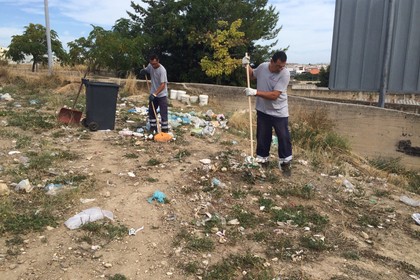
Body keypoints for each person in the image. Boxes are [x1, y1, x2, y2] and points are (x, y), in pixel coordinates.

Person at [243, 51, 292, 176]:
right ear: (272, 61)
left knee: (283, 136)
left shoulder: (285, 74)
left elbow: (275, 95)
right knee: (263, 136)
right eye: (278, 65)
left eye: (283, 66)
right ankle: (262, 160)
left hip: (279, 111)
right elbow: (252, 75)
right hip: (263, 109)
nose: (281, 68)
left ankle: (285, 162)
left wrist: (255, 92)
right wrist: (246, 65)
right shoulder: (263, 67)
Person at [141, 54, 169, 133]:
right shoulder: (150, 66)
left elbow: (163, 85)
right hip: (153, 93)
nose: (153, 65)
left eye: (154, 64)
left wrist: (155, 94)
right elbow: (147, 70)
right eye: (152, 63)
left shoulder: (162, 70)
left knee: (163, 113)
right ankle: (153, 128)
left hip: (161, 95)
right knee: (151, 111)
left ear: (158, 61)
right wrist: (144, 71)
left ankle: (164, 129)